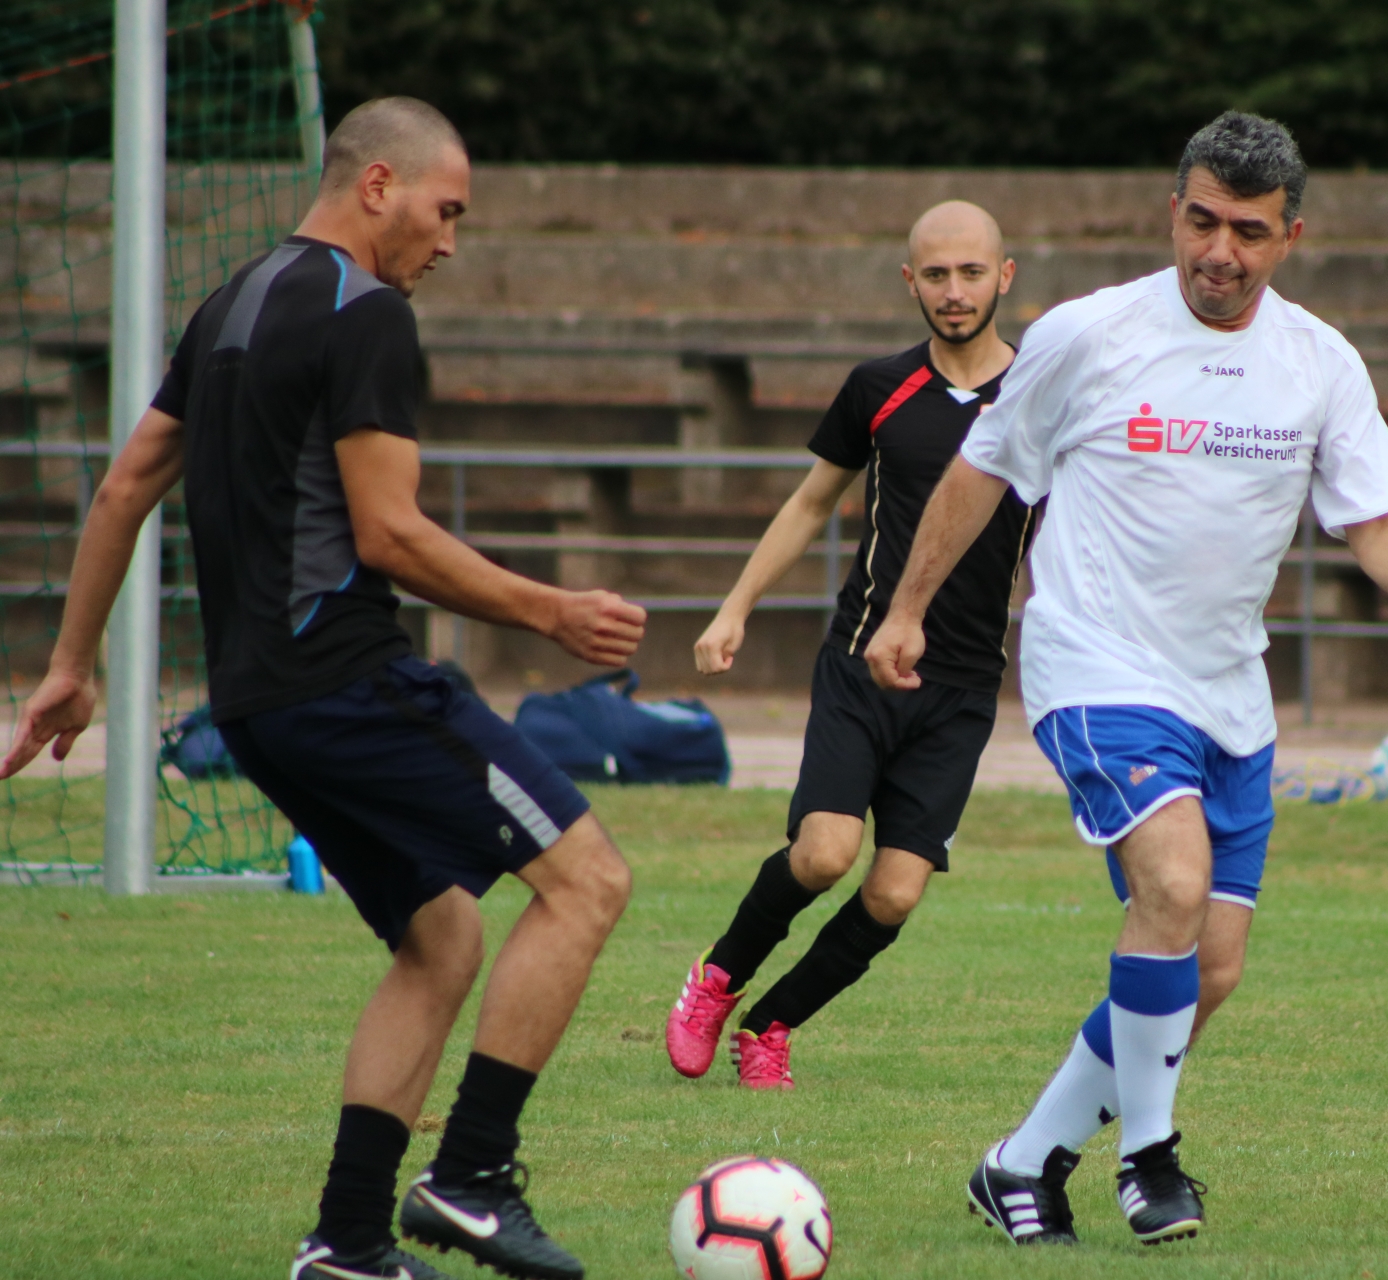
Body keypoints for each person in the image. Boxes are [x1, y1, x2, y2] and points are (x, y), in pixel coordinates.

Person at [864, 111, 1388, 1247]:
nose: (1221, 251)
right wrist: (908, 608)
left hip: (1229, 689)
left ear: (1290, 237)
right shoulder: (1088, 335)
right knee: (1171, 886)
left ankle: (1021, 1161)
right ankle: (1151, 1161)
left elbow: (1376, 522)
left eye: (1250, 232)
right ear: (1174, 211)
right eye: (1205, 222)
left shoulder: (1319, 361)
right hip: (1096, 665)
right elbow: (983, 471)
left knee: (1207, 968)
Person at [0, 98, 646, 1280]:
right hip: (348, 679)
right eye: (446, 211)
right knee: (589, 879)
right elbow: (389, 534)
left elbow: (124, 486)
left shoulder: (230, 300)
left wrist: (69, 666)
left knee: (442, 936)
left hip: (255, 710)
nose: (449, 241)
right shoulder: (368, 313)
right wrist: (549, 611)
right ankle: (472, 1176)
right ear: (379, 184)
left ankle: (348, 1240)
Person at [665, 201, 1036, 1090]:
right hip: (862, 665)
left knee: (895, 893)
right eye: (936, 275)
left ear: (1005, 276)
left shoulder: (1041, 398)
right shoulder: (878, 387)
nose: (955, 292)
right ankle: (718, 977)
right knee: (825, 854)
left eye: (971, 273)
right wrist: (734, 609)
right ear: (911, 282)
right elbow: (808, 504)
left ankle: (771, 1026)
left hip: (963, 688)